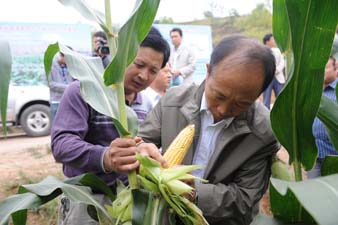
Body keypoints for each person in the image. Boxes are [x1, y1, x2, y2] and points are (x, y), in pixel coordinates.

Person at [138, 35, 280, 225]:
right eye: (219, 95)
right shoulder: (172, 101)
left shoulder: (264, 132)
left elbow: (245, 200)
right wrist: (140, 151)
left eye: (241, 104)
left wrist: (195, 192)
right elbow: (143, 142)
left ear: (259, 94)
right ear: (208, 71)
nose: (223, 110)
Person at [51, 27, 170, 224]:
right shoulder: (82, 92)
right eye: (139, 64)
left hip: (130, 202)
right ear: (121, 56)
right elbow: (61, 145)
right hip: (88, 200)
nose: (143, 76)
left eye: (153, 71)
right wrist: (105, 157)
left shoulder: (147, 104)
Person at [307, 56, 338, 179]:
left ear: (335, 68)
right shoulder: (311, 91)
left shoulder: (336, 92)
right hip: (313, 154)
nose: (321, 71)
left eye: (326, 67)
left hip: (334, 156)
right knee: (315, 193)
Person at [262, 33, 285, 109]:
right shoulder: (262, 51)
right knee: (266, 98)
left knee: (280, 97)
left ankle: (281, 113)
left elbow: (282, 62)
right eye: (272, 39)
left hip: (278, 77)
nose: (274, 41)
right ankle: (266, 115)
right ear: (267, 41)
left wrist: (277, 70)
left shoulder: (278, 51)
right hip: (268, 77)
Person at [49, 51, 74, 120]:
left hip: (69, 100)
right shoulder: (50, 66)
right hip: (56, 101)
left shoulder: (70, 67)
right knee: (56, 123)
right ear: (61, 56)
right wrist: (69, 87)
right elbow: (51, 84)